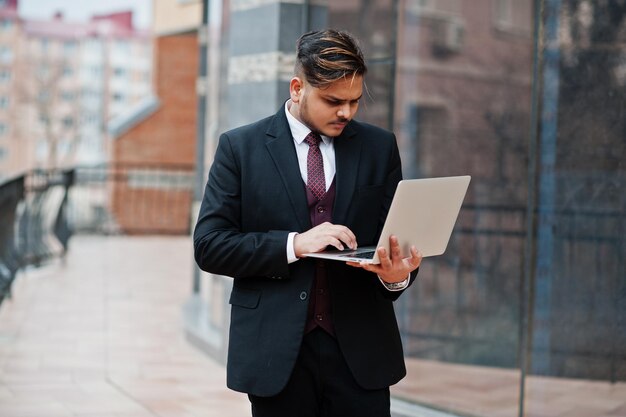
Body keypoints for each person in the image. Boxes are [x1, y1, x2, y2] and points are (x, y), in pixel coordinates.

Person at [193, 29, 422, 417]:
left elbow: (394, 240)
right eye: (333, 101)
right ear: (297, 88)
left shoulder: (379, 148)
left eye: (353, 102)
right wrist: (294, 244)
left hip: (360, 354)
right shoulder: (240, 148)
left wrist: (396, 276)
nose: (346, 113)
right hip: (275, 354)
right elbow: (210, 245)